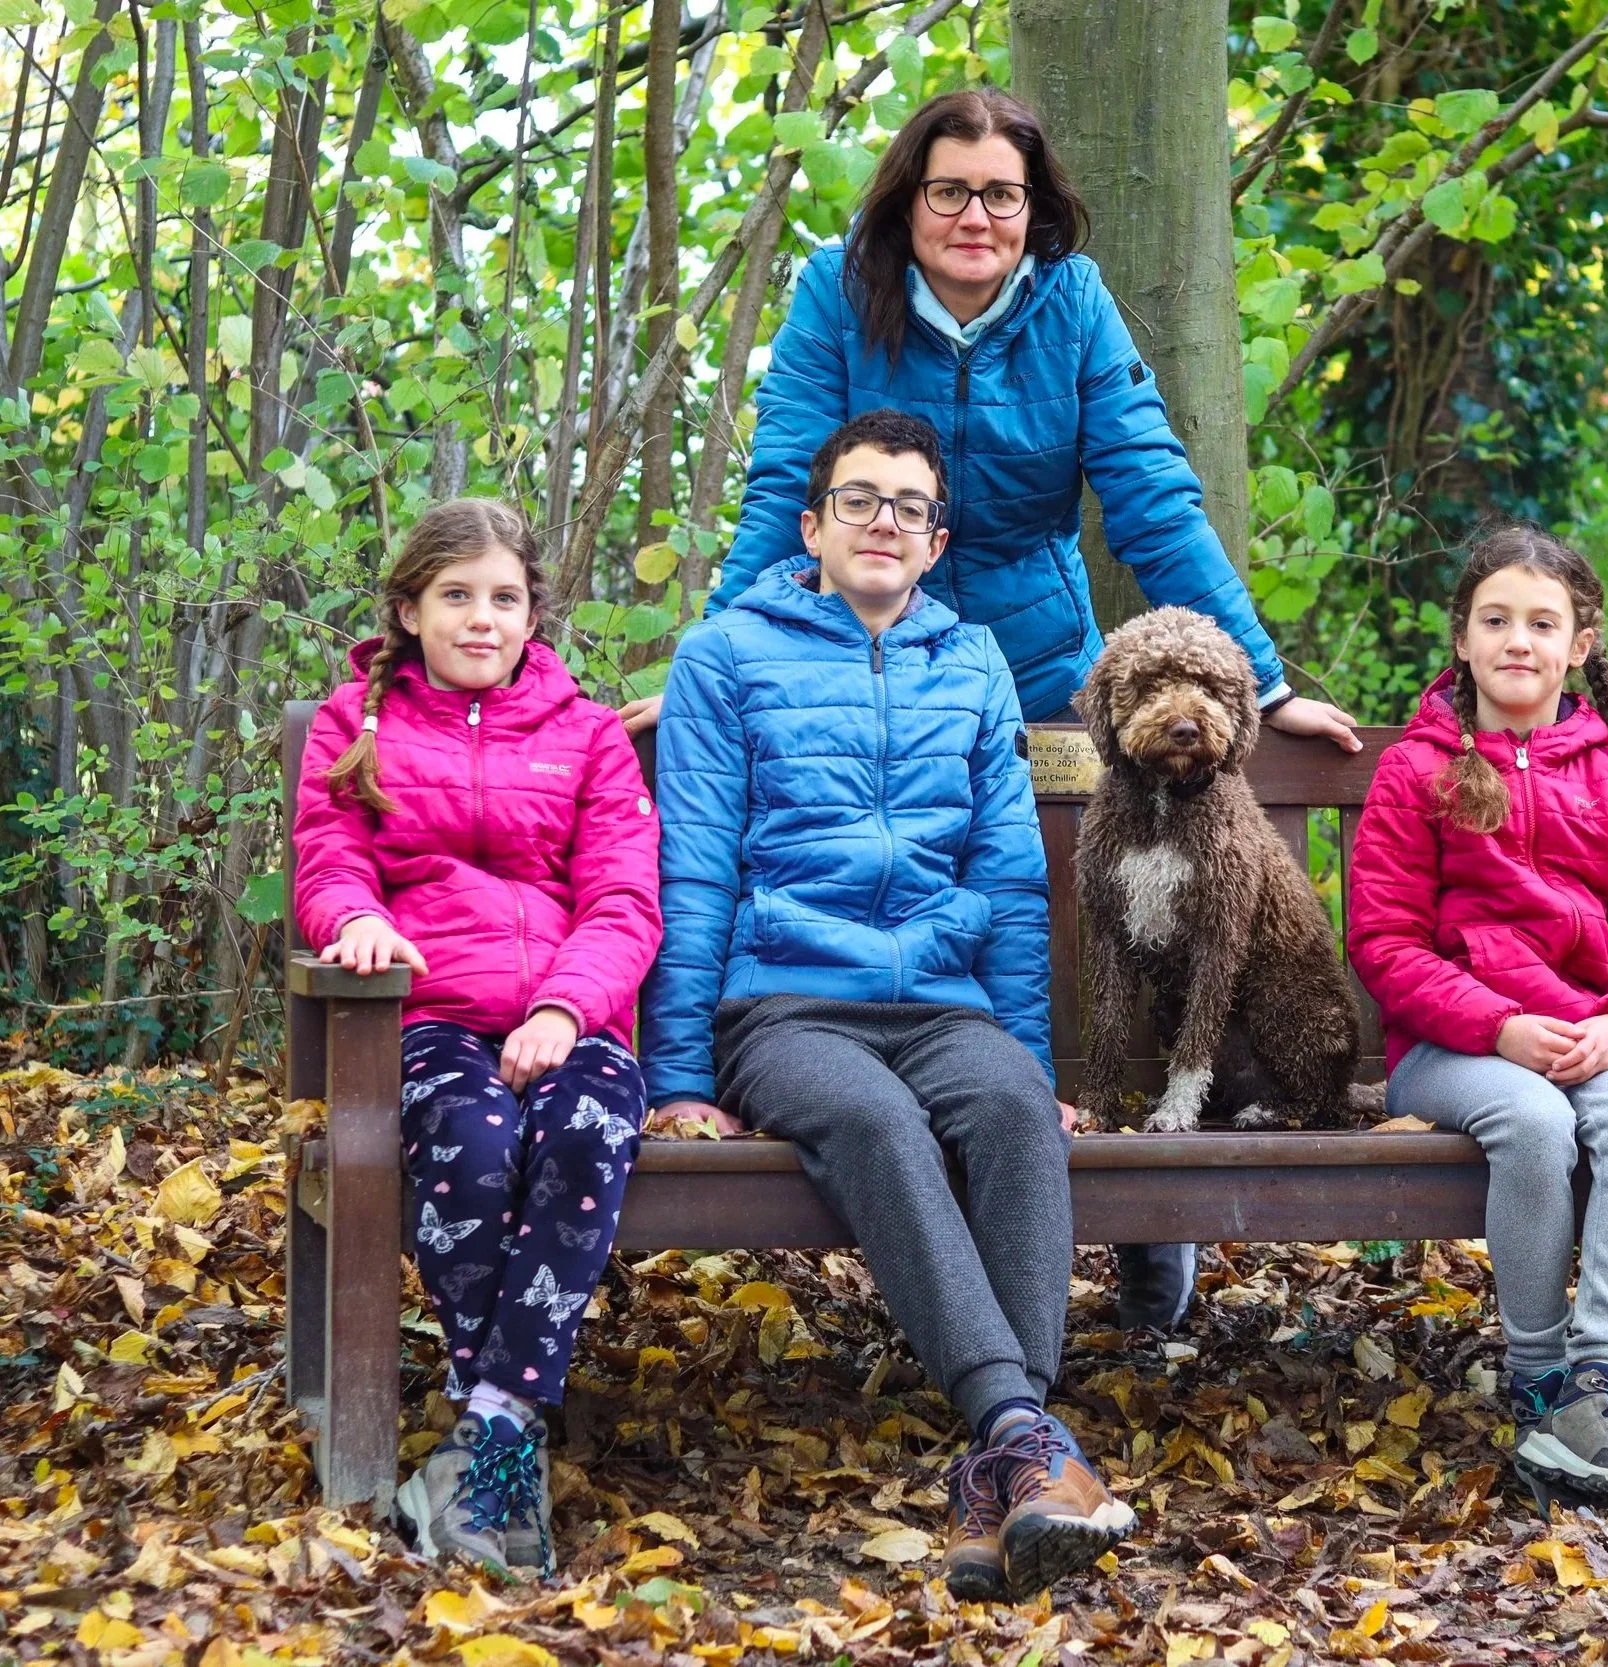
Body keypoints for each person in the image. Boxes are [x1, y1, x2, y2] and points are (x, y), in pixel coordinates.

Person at [627, 86, 1361, 1327]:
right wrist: (719, 642)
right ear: (908, 200)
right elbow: (785, 488)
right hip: (848, 642)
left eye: (1003, 194)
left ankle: (1128, 1211)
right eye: (950, 190)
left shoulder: (1069, 304)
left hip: (1027, 661)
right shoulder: (835, 293)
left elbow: (1148, 492)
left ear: (1037, 208)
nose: (977, 216)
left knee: (1070, 907)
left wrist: (1262, 675)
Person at [642, 409, 1135, 1601]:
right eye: (858, 500)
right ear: (811, 527)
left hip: (943, 1000)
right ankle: (1023, 1436)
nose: (882, 523)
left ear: (933, 541)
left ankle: (996, 1473)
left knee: (1012, 1112)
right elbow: (695, 868)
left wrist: (1027, 1057)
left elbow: (1010, 881)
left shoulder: (970, 663)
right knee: (876, 1122)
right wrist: (680, 1080)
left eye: (907, 508)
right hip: (787, 1006)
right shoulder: (725, 654)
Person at [293, 499, 662, 1573]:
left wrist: (562, 1007)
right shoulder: (355, 724)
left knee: (591, 1124)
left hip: (568, 1008)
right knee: (475, 1136)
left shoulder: (587, 733)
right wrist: (355, 920)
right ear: (409, 610)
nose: (481, 618)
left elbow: (624, 899)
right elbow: (329, 857)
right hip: (429, 1013)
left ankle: (487, 1432)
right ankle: (498, 1454)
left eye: (504, 598)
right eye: (456, 596)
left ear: (532, 614)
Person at [1344, 522, 1608, 1514]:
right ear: (1460, 637)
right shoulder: (1419, 771)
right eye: (1494, 619)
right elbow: (1385, 943)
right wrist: (1498, 1025)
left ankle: (1600, 1381)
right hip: (1454, 1052)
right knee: (1533, 1119)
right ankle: (1539, 1378)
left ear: (1579, 643)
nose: (1517, 640)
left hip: (1590, 1033)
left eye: (1542, 623)